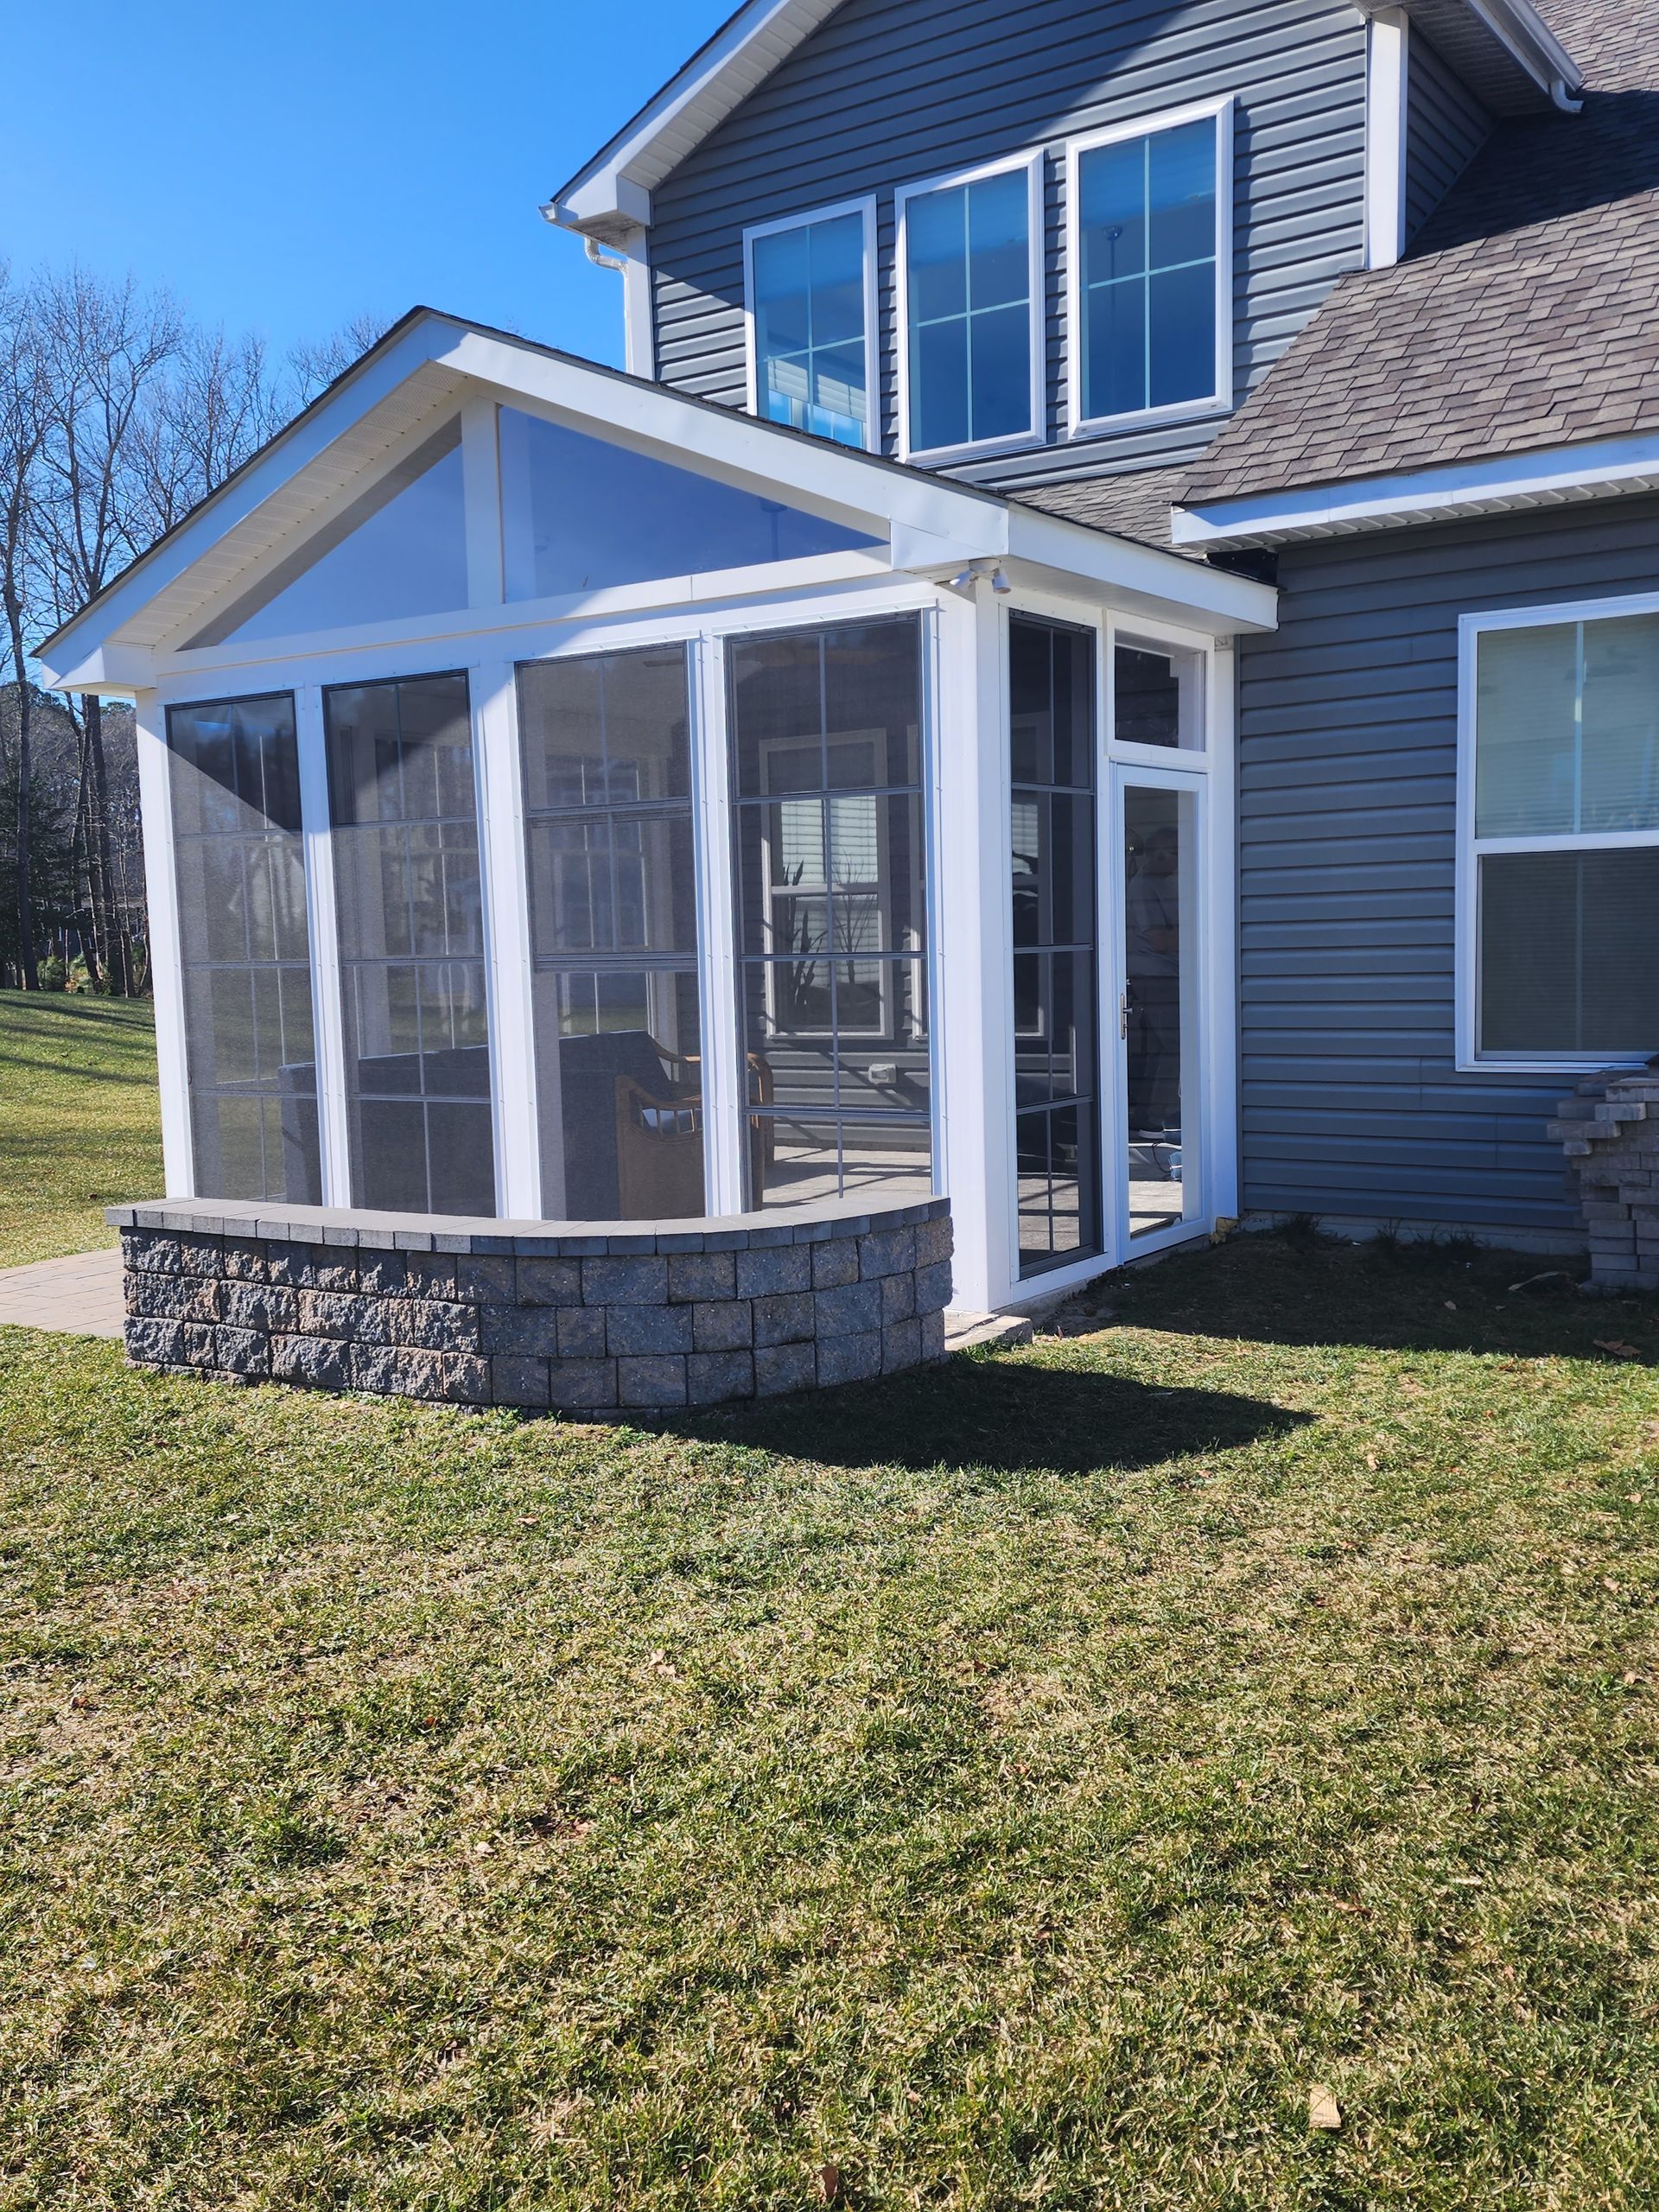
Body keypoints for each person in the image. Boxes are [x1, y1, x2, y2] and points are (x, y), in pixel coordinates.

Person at [1125, 822, 1181, 1137]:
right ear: (1156, 854)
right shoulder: (1143, 886)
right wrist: (1200, 927)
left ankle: (1150, 1118)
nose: (1174, 860)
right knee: (1176, 1045)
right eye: (1171, 853)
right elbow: (1159, 939)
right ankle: (1154, 1120)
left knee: (1162, 1048)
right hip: (1154, 974)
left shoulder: (1166, 884)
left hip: (1167, 973)